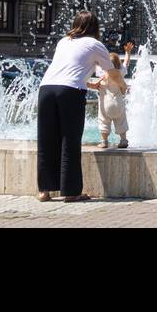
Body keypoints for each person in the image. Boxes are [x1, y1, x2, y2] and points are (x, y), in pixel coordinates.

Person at [36, 10, 114, 202]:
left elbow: (66, 70)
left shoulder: (63, 41)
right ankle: (71, 192)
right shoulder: (95, 44)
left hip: (46, 89)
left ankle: (44, 191)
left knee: (46, 140)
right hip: (70, 93)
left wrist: (89, 84)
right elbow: (113, 72)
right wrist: (124, 87)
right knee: (69, 140)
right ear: (95, 27)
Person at [89, 53, 130, 150]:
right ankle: (123, 140)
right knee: (121, 121)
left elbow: (95, 65)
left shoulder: (103, 73)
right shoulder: (120, 72)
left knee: (103, 121)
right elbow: (126, 63)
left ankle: (104, 141)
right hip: (118, 104)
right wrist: (127, 52)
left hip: (105, 105)